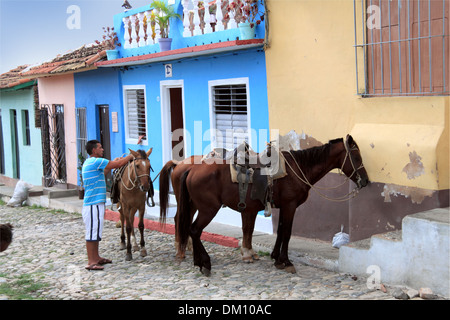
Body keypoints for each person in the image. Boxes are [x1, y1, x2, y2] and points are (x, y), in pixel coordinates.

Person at [82, 140, 134, 270]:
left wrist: (114, 163)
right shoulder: (96, 161)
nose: (102, 149)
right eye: (100, 147)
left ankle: (96, 257)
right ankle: (91, 262)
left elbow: (104, 172)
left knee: (96, 231)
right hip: (93, 204)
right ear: (94, 150)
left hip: (95, 203)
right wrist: (131, 155)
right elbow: (120, 164)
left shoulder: (91, 163)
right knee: (92, 233)